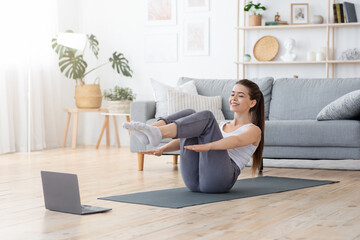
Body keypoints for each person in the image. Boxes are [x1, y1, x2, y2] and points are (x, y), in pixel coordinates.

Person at [123, 79, 265, 193]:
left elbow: (235, 141)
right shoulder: (220, 125)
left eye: (240, 96)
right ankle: (151, 130)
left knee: (207, 117)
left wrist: (208, 146)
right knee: (189, 114)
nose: (234, 98)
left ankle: (158, 133)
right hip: (193, 181)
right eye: (232, 94)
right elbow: (184, 140)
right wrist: (162, 149)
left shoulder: (253, 130)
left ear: (252, 103)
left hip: (220, 180)